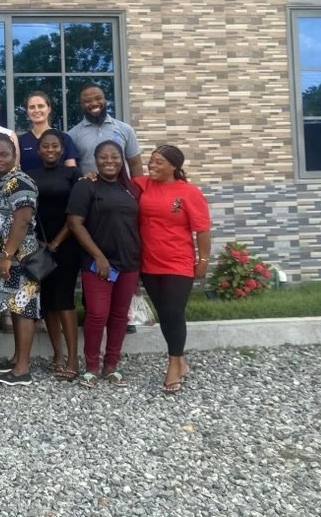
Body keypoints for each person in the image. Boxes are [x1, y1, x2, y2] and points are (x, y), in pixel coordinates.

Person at [132, 145, 212, 395]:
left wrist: (204, 261)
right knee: (164, 314)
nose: (152, 166)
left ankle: (173, 365)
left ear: (174, 167)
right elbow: (112, 181)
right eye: (151, 161)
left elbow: (203, 229)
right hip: (149, 262)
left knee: (174, 312)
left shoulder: (189, 193)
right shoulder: (141, 185)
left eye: (159, 162)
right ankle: (181, 359)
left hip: (178, 262)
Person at [66, 140, 142, 388]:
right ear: (96, 161)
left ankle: (111, 365)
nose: (110, 161)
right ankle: (91, 367)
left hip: (129, 262)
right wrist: (98, 256)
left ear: (122, 160)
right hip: (98, 263)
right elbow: (75, 223)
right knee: (97, 314)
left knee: (120, 316)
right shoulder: (87, 186)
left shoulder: (131, 189)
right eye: (104, 157)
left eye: (115, 157)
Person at [0, 133, 41, 387]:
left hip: (19, 259)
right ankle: (17, 358)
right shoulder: (0, 180)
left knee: (24, 308)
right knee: (15, 307)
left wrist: (7, 255)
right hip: (3, 258)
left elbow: (23, 219)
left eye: (4, 154)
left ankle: (23, 368)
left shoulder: (20, 181)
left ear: (14, 155)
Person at [24, 129, 82, 381]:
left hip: (67, 245)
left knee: (65, 301)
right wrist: (38, 241)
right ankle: (57, 354)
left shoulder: (73, 175)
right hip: (39, 246)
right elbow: (26, 209)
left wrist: (57, 241)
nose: (50, 150)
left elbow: (77, 212)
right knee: (47, 301)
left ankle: (72, 358)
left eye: (55, 146)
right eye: (45, 146)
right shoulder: (30, 175)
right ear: (38, 150)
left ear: (62, 149)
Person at [67, 83, 143, 176]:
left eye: (98, 98)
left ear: (105, 100)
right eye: (88, 101)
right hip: (90, 189)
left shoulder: (125, 129)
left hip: (121, 189)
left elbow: (135, 163)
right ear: (81, 105)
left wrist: (138, 189)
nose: (94, 103)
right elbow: (72, 170)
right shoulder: (72, 135)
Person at [17, 91, 78, 172]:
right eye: (32, 107)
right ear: (28, 112)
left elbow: (72, 171)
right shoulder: (22, 141)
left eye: (41, 106)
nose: (36, 110)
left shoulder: (64, 138)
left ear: (49, 109)